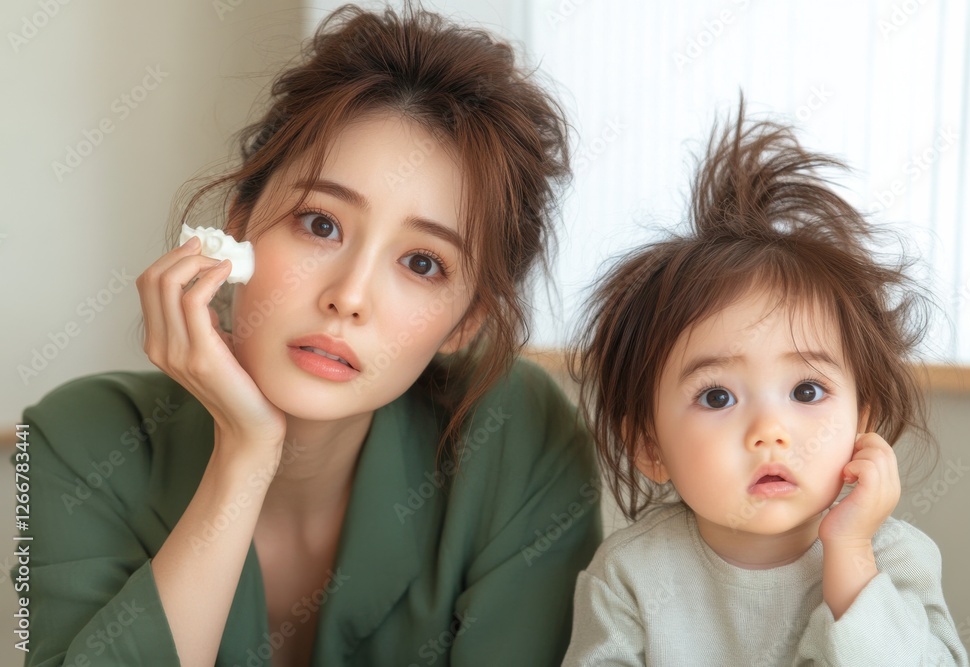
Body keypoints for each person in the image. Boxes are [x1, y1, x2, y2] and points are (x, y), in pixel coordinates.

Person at [19, 4, 602, 665]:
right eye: (320, 224)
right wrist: (243, 456)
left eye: (422, 263)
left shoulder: (519, 437)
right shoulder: (76, 440)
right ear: (237, 227)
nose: (348, 297)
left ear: (465, 319)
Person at [561, 100, 968, 665]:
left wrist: (849, 554)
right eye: (717, 396)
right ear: (650, 446)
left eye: (806, 391)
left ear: (863, 422)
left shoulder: (893, 557)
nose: (769, 432)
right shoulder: (629, 574)